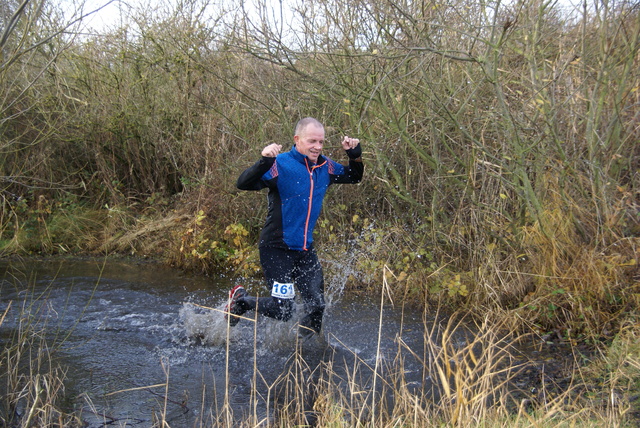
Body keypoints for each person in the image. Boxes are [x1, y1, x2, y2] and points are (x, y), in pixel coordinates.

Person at [224, 117, 364, 338]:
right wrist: (264, 161)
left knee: (317, 308)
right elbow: (243, 183)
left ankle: (301, 355)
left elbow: (354, 177)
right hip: (276, 248)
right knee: (283, 309)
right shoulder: (279, 164)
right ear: (297, 139)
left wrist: (354, 155)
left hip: (305, 251)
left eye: (321, 142)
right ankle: (241, 302)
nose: (317, 147)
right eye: (312, 141)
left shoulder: (324, 166)